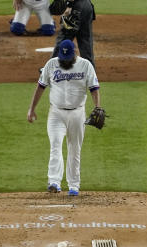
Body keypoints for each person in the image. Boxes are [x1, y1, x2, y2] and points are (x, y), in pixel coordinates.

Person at [29, 39, 101, 196]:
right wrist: (31, 109)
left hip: (77, 114)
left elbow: (94, 89)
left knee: (75, 149)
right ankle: (54, 181)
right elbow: (40, 87)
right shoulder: (51, 64)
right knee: (55, 145)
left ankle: (74, 185)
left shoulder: (85, 65)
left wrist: (97, 107)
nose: (65, 62)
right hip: (56, 114)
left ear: (75, 53)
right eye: (63, 58)